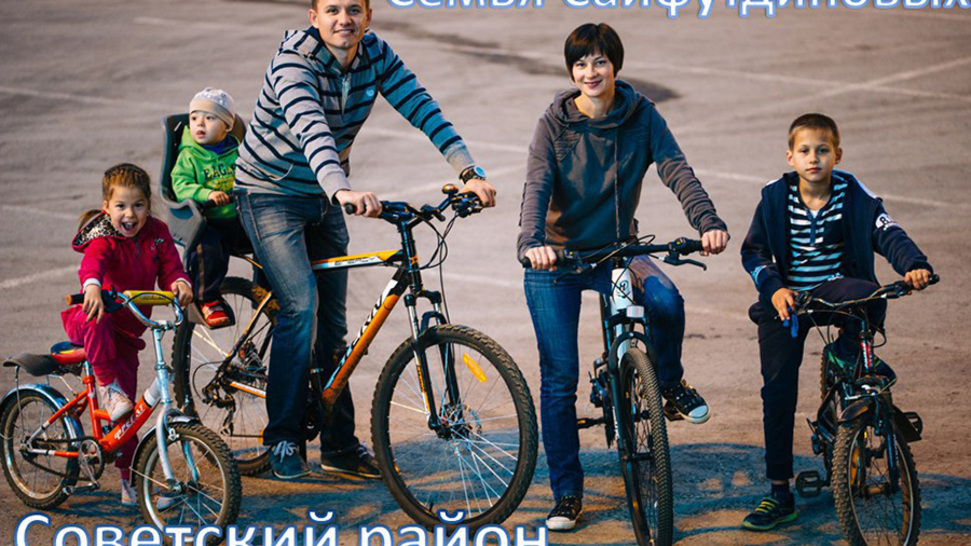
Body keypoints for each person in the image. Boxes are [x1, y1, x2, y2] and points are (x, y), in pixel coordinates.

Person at [234, 0, 497, 481]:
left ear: (369, 16)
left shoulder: (374, 53)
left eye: (354, 9)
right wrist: (341, 190)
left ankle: (338, 446)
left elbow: (421, 106)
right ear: (314, 17)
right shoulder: (294, 63)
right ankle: (282, 438)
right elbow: (312, 130)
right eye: (332, 9)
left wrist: (468, 171)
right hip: (269, 194)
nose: (344, 19)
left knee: (333, 330)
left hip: (325, 196)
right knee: (301, 306)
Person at [518, 23, 730, 531]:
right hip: (559, 259)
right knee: (559, 379)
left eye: (600, 61)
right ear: (571, 71)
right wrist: (530, 243)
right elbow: (536, 186)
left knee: (666, 300)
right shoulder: (554, 124)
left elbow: (677, 170)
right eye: (580, 64)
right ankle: (567, 493)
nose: (590, 72)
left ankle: (669, 383)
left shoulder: (642, 116)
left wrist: (707, 221)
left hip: (618, 251)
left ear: (616, 65)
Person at [740, 113, 934, 531]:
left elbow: (888, 233)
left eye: (823, 150)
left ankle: (849, 357)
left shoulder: (853, 194)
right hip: (790, 300)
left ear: (838, 155)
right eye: (805, 151)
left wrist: (913, 265)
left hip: (837, 289)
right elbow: (752, 253)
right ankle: (779, 492)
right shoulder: (774, 198)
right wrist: (774, 288)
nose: (814, 158)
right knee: (777, 390)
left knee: (869, 296)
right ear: (791, 157)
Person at [61, 163, 193, 505]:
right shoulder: (104, 237)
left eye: (138, 205)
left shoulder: (158, 233)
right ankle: (107, 386)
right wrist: (92, 287)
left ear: (148, 205)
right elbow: (92, 264)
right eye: (121, 206)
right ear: (107, 208)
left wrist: (179, 282)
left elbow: (171, 267)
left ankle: (128, 482)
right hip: (91, 320)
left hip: (129, 331)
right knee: (98, 315)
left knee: (130, 417)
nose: (130, 214)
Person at [171, 87, 245, 328]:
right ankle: (208, 299)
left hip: (237, 216)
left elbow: (251, 173)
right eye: (194, 118)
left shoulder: (237, 150)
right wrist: (207, 194)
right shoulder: (189, 155)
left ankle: (270, 288)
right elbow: (180, 185)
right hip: (206, 220)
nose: (199, 124)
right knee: (208, 251)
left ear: (227, 126)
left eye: (210, 118)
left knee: (270, 239)